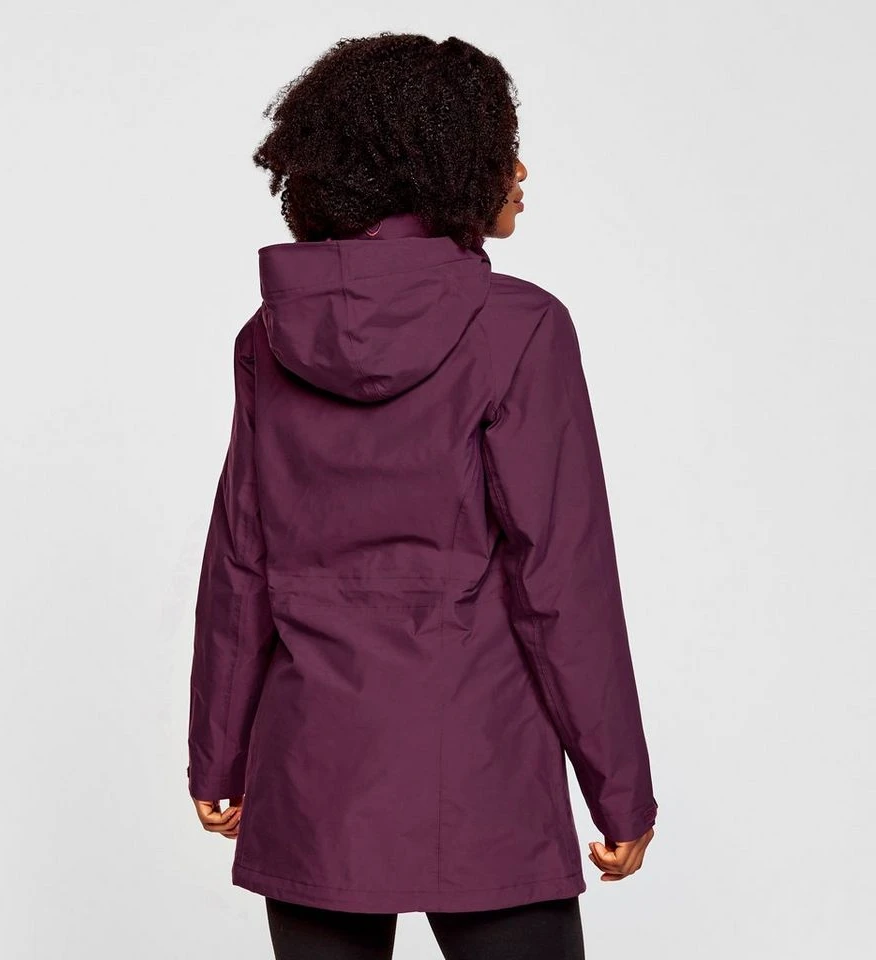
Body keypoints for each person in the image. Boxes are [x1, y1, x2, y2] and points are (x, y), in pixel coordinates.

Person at [185, 32, 658, 960]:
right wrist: (620, 790)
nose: (521, 170)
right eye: (503, 146)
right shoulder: (520, 328)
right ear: (448, 162)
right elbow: (562, 581)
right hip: (482, 771)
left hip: (312, 772)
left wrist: (217, 753)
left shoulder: (270, 334)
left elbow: (242, 559)